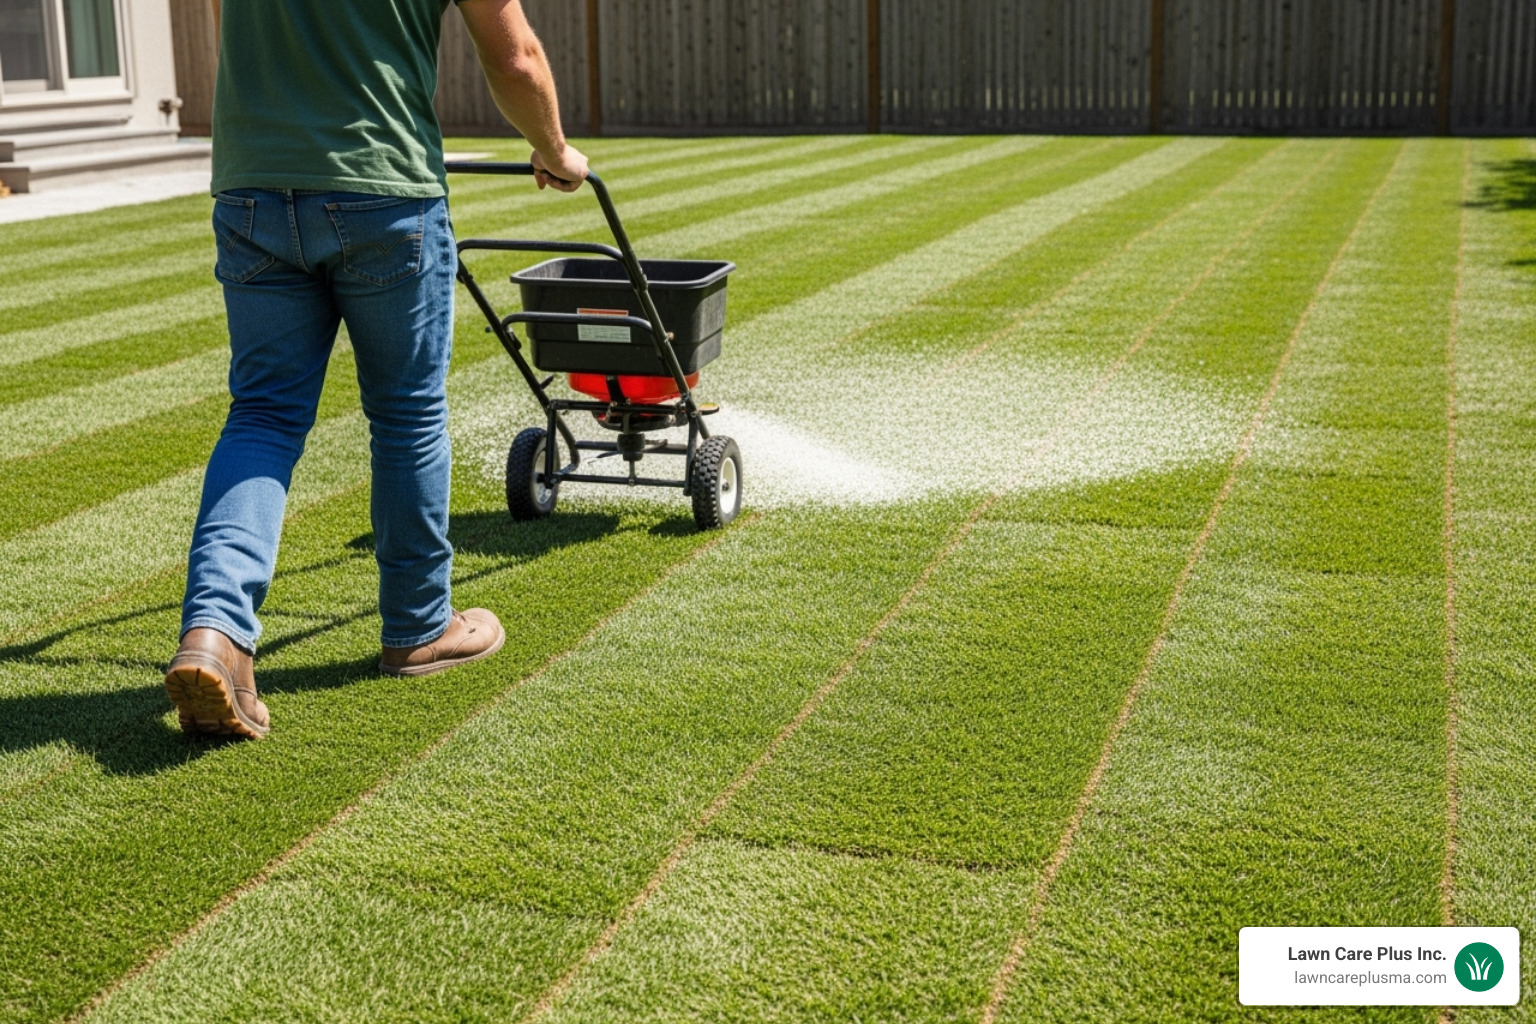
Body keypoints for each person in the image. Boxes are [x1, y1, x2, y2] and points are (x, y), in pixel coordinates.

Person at [164, 0, 588, 739]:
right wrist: (555, 152)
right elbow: (515, 57)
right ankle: (420, 626)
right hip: (382, 190)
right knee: (407, 413)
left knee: (263, 415)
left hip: (252, 186)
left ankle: (214, 633)